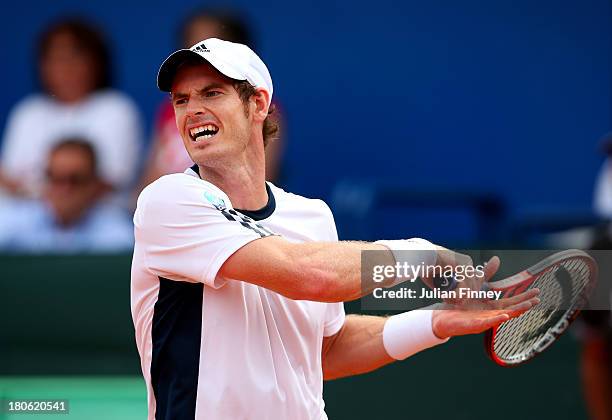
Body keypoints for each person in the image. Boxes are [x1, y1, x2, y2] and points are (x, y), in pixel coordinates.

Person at [130, 38, 540, 419]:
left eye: (211, 93)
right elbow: (309, 275)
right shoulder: (168, 201)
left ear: (258, 104)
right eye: (181, 100)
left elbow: (325, 350)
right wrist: (423, 253)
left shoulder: (311, 216)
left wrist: (435, 321)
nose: (191, 109)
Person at [136, 9, 284, 195]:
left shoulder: (261, 107)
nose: (192, 110)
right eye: (190, 42)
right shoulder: (169, 111)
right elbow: (149, 182)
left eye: (213, 94)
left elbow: (259, 182)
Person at [0, 18, 142, 199]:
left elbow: (110, 180)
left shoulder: (116, 108)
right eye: (55, 58)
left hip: (97, 217)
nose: (65, 67)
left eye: (75, 56)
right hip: (30, 214)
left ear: (96, 63)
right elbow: (9, 178)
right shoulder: (28, 112)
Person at [0, 138, 134, 253]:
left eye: (74, 180)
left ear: (96, 184)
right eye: (55, 178)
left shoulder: (119, 235)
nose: (63, 190)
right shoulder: (11, 223)